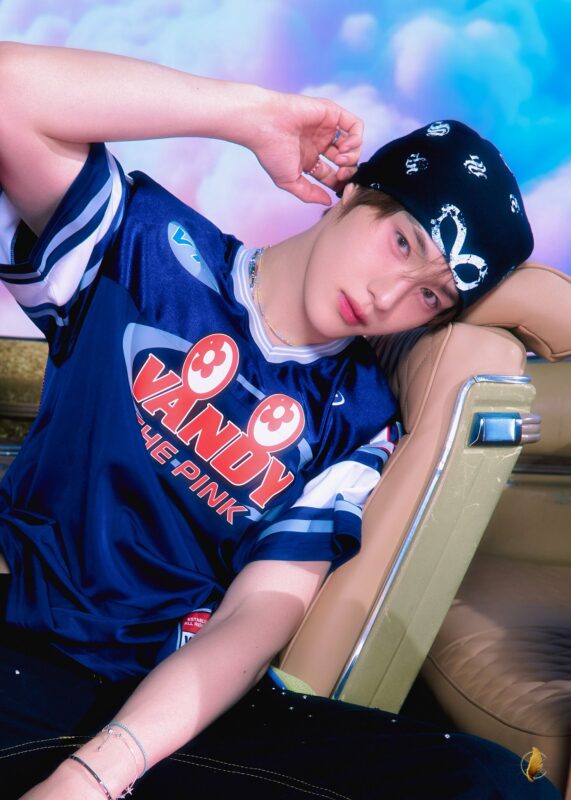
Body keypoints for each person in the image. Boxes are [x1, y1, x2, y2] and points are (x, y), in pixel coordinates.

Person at [0, 42, 559, 800]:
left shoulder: (362, 419)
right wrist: (248, 114)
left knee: (494, 785)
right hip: (30, 646)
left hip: (174, 707)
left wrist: (101, 772)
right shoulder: (143, 247)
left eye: (430, 295)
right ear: (354, 192)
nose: (390, 296)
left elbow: (259, 610)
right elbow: (9, 91)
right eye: (401, 242)